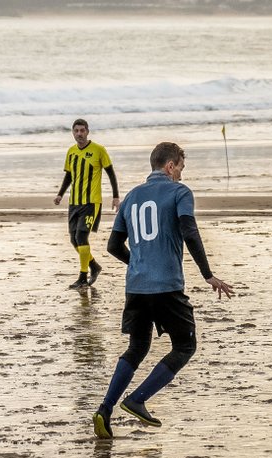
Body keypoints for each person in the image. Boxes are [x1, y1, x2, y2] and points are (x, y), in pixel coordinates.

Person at [91, 142, 234, 438]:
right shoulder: (179, 192)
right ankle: (137, 399)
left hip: (137, 287)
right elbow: (189, 230)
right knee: (185, 346)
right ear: (170, 166)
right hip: (166, 286)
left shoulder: (131, 197)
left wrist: (138, 263)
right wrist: (208, 275)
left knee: (137, 347)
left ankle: (104, 410)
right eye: (180, 167)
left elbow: (112, 246)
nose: (181, 173)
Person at [54, 118, 120, 289]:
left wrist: (115, 196)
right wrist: (60, 194)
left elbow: (111, 173)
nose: (79, 134)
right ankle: (94, 266)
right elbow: (69, 175)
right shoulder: (71, 152)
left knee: (82, 237)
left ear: (88, 132)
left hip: (91, 202)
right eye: (76, 131)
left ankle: (83, 277)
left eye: (82, 130)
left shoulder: (98, 150)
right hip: (74, 202)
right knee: (74, 240)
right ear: (73, 133)